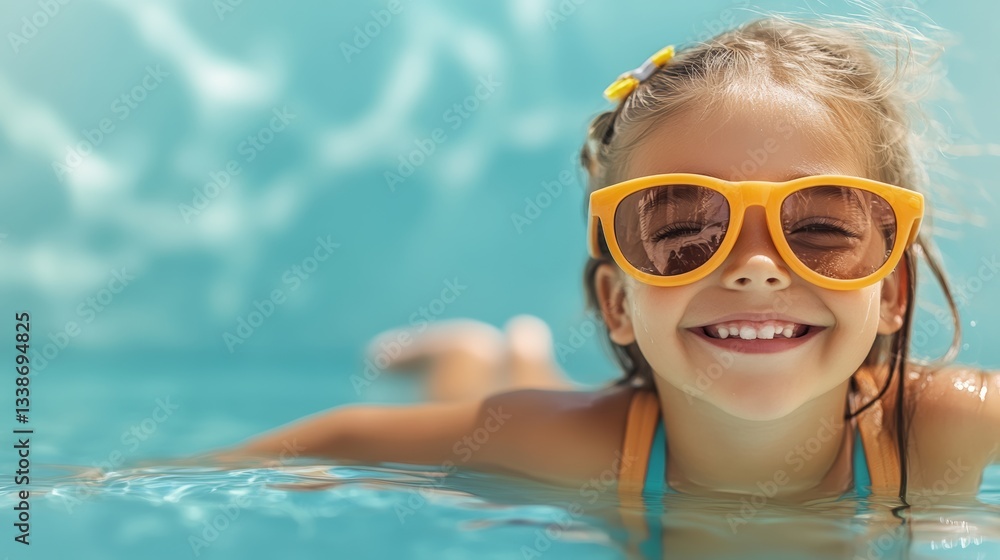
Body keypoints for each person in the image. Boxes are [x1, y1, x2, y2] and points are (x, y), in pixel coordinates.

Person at [205, 15, 1000, 511]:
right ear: (618, 303)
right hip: (581, 433)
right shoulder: (562, 446)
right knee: (498, 433)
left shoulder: (945, 427)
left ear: (892, 287)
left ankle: (503, 352)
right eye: (686, 231)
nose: (757, 269)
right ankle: (473, 357)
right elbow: (346, 437)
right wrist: (146, 478)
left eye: (822, 228)